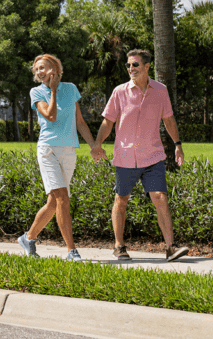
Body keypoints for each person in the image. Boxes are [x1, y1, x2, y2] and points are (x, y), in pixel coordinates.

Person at [92, 49, 189, 262]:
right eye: (128, 65)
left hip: (153, 156)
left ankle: (170, 247)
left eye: (135, 65)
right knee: (121, 199)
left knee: (160, 197)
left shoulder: (160, 91)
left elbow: (169, 119)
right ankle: (119, 246)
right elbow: (108, 121)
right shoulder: (119, 91)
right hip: (126, 156)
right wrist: (97, 143)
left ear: (147, 66)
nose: (131, 69)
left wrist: (177, 145)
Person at [18, 54, 100, 261]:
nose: (39, 72)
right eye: (37, 69)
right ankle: (71, 251)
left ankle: (28, 238)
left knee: (54, 203)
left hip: (68, 150)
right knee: (63, 199)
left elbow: (79, 121)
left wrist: (93, 145)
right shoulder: (36, 92)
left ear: (56, 69)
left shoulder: (71, 89)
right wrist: (52, 91)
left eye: (43, 68)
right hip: (48, 150)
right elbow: (51, 116)